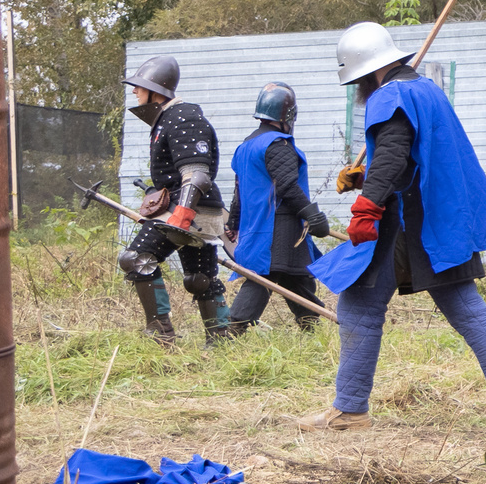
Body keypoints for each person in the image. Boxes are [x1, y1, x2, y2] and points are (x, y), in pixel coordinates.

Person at [303, 22, 486, 429]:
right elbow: (410, 152)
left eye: (356, 82)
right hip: (439, 218)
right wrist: (365, 174)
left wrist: (366, 206)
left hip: (406, 218)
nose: (358, 91)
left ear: (367, 72)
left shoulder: (389, 95)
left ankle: (350, 410)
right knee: (463, 304)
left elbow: (393, 155)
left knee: (359, 305)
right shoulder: (425, 89)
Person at [116, 55, 228, 348]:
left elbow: (197, 175)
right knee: (199, 278)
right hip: (188, 205)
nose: (134, 92)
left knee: (135, 259)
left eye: (139, 86)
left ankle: (161, 334)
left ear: (157, 89)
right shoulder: (169, 118)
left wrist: (181, 214)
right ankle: (221, 341)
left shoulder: (184, 117)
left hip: (191, 208)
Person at [216, 82, 330, 336]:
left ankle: (311, 329)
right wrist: (311, 213)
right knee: (264, 277)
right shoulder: (278, 145)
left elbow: (239, 190)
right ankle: (230, 333)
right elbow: (288, 188)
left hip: (258, 224)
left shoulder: (246, 145)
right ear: (288, 115)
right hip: (278, 225)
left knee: (295, 276)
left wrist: (234, 222)